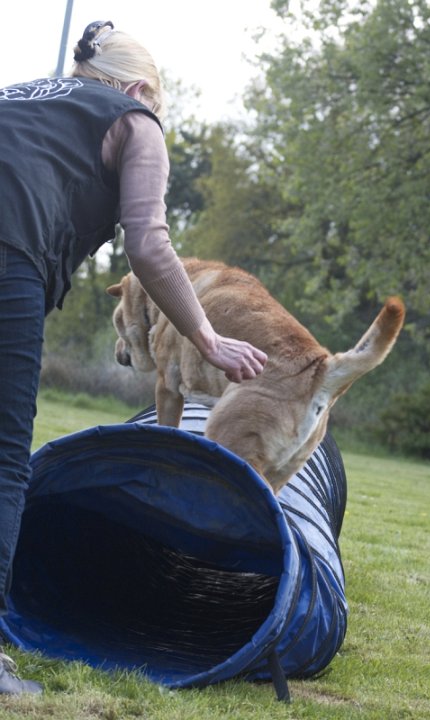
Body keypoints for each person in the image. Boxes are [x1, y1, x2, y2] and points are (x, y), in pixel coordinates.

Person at [0, 20, 267, 695]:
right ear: (141, 89)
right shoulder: (135, 120)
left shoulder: (18, 94)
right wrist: (208, 338)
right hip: (6, 253)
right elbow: (147, 244)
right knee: (3, 459)